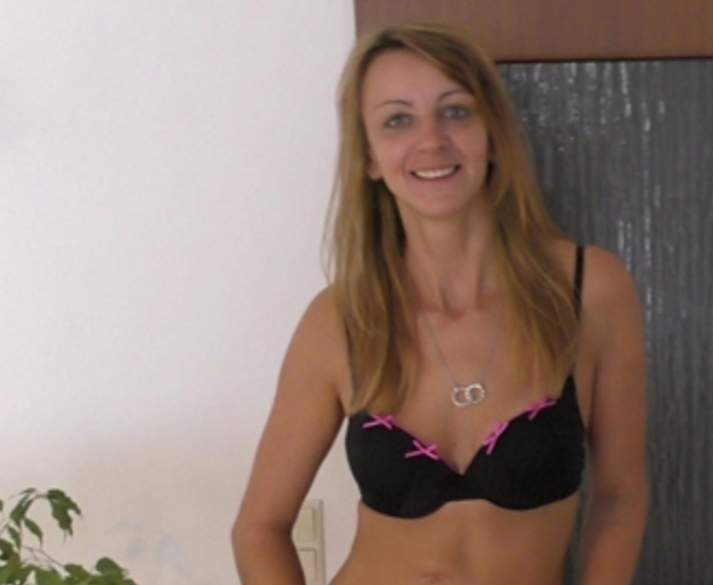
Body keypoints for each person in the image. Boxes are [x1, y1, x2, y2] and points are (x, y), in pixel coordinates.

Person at [231, 22, 648, 585]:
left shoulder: (588, 290)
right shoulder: (341, 320)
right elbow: (259, 527)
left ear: (492, 134)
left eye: (455, 112)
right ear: (370, 157)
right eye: (397, 120)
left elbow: (620, 497)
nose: (431, 141)